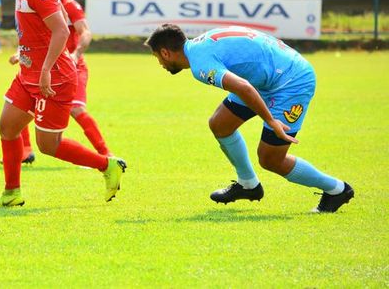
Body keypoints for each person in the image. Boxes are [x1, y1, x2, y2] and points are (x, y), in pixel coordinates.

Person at [145, 24, 354, 213]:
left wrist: (271, 120)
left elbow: (243, 87)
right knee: (220, 124)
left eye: (158, 58)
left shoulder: (200, 64)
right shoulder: (200, 44)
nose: (161, 63)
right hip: (265, 78)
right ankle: (248, 185)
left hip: (291, 81)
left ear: (166, 52)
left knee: (270, 159)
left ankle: (336, 190)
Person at [0, 0, 126, 208]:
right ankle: (12, 193)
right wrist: (22, 53)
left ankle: (107, 165)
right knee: (7, 127)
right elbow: (36, 32)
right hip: (28, 74)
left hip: (54, 78)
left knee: (48, 145)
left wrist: (46, 69)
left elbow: (61, 30)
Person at [13, 0, 112, 158]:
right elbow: (31, 36)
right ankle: (25, 151)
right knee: (21, 104)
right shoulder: (39, 2)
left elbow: (85, 32)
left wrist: (75, 54)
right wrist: (19, 53)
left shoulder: (70, 6)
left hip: (71, 67)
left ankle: (105, 154)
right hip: (45, 67)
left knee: (76, 109)